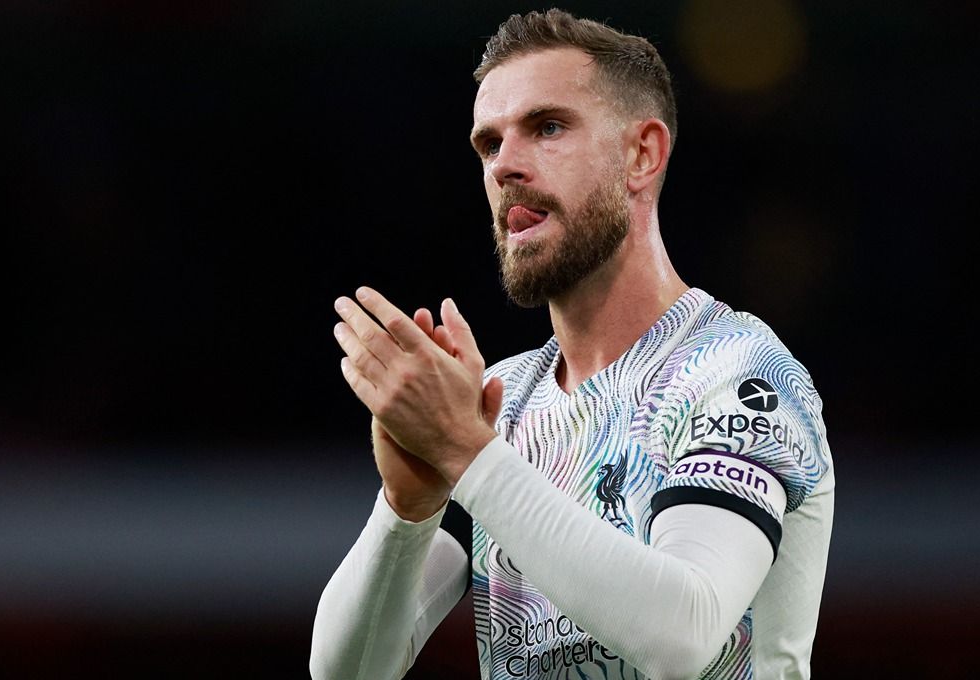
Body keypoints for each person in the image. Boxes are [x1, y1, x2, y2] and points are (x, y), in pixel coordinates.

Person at [310, 9, 835, 680]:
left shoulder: (737, 373)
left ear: (642, 153)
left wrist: (468, 454)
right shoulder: (503, 404)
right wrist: (406, 510)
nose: (505, 166)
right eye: (489, 144)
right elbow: (347, 671)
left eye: (547, 127)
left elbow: (683, 638)